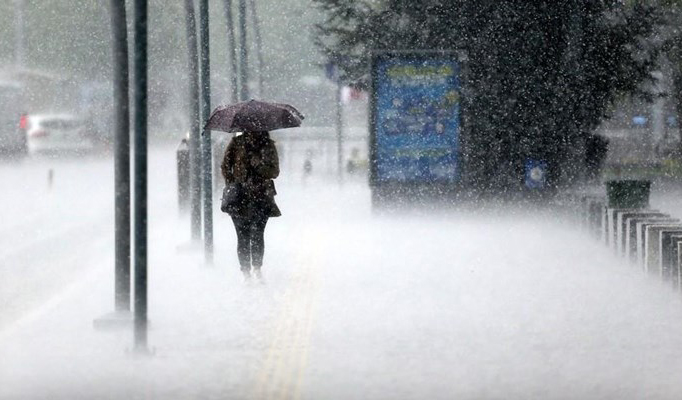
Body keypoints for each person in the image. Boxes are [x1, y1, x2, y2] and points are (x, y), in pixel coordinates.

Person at [221, 130, 281, 282]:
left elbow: (274, 172)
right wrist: (233, 183)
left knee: (258, 234)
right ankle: (246, 272)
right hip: (239, 197)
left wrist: (259, 165)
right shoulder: (236, 143)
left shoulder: (268, 145)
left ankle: (257, 268)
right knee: (242, 236)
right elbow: (225, 166)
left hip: (261, 196)